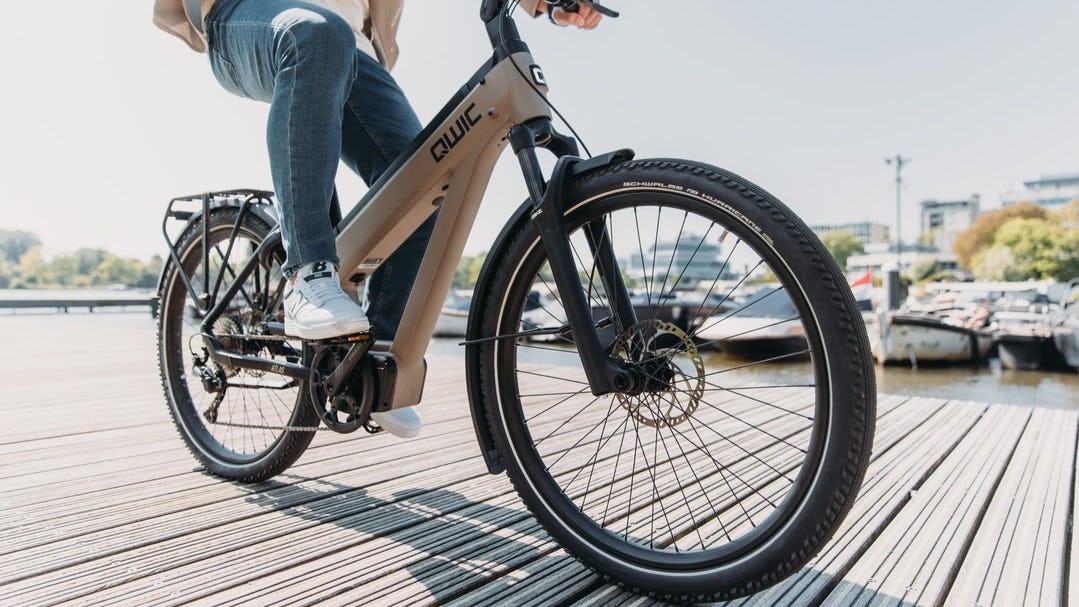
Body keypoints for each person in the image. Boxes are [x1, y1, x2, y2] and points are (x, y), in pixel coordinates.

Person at [152, 0, 601, 437]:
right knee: (315, 35)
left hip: (352, 43)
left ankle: (373, 364)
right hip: (246, 15)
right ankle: (307, 275)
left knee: (427, 182)